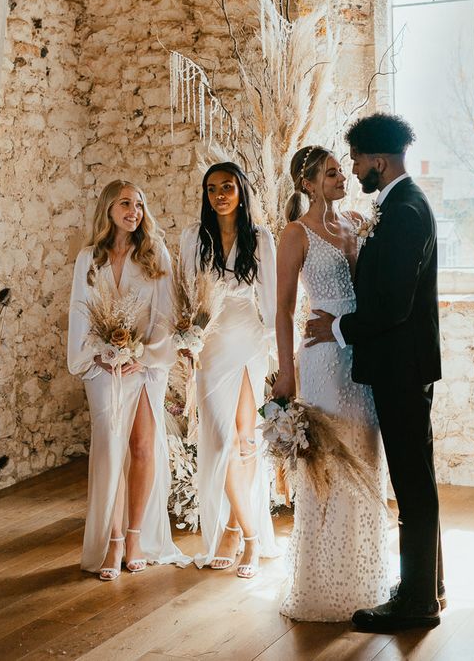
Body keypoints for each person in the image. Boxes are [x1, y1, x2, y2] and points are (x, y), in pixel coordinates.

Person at [305, 113, 443, 632]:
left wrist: (336, 327)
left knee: (412, 481)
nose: (356, 169)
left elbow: (392, 306)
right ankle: (429, 585)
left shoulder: (405, 211)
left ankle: (416, 602)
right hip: (402, 364)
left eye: (358, 160)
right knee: (416, 478)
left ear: (377, 162)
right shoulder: (398, 206)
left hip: (402, 367)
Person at [272, 145, 390, 621]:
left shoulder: (356, 225)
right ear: (308, 182)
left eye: (342, 171)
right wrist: (286, 370)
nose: (342, 178)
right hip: (321, 359)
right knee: (327, 463)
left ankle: (366, 577)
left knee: (364, 456)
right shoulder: (295, 234)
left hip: (360, 353)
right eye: (331, 173)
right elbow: (281, 308)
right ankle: (322, 584)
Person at [68, 179, 189, 580]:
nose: (134, 211)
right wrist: (98, 357)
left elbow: (166, 315)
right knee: (110, 452)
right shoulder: (89, 259)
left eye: (139, 204)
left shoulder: (155, 255)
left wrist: (146, 356)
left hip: (145, 367)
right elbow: (80, 314)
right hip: (102, 370)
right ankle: (112, 539)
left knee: (141, 446)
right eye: (125, 203)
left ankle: (135, 536)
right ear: (108, 208)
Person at [179, 162, 278, 575]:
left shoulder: (261, 239)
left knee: (246, 441)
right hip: (211, 347)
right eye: (212, 188)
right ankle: (244, 533)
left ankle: (240, 532)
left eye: (227, 187)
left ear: (241, 191)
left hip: (249, 343)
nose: (219, 194)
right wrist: (186, 340)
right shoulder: (192, 238)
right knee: (218, 442)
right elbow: (186, 296)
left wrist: (279, 353)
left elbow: (272, 300)